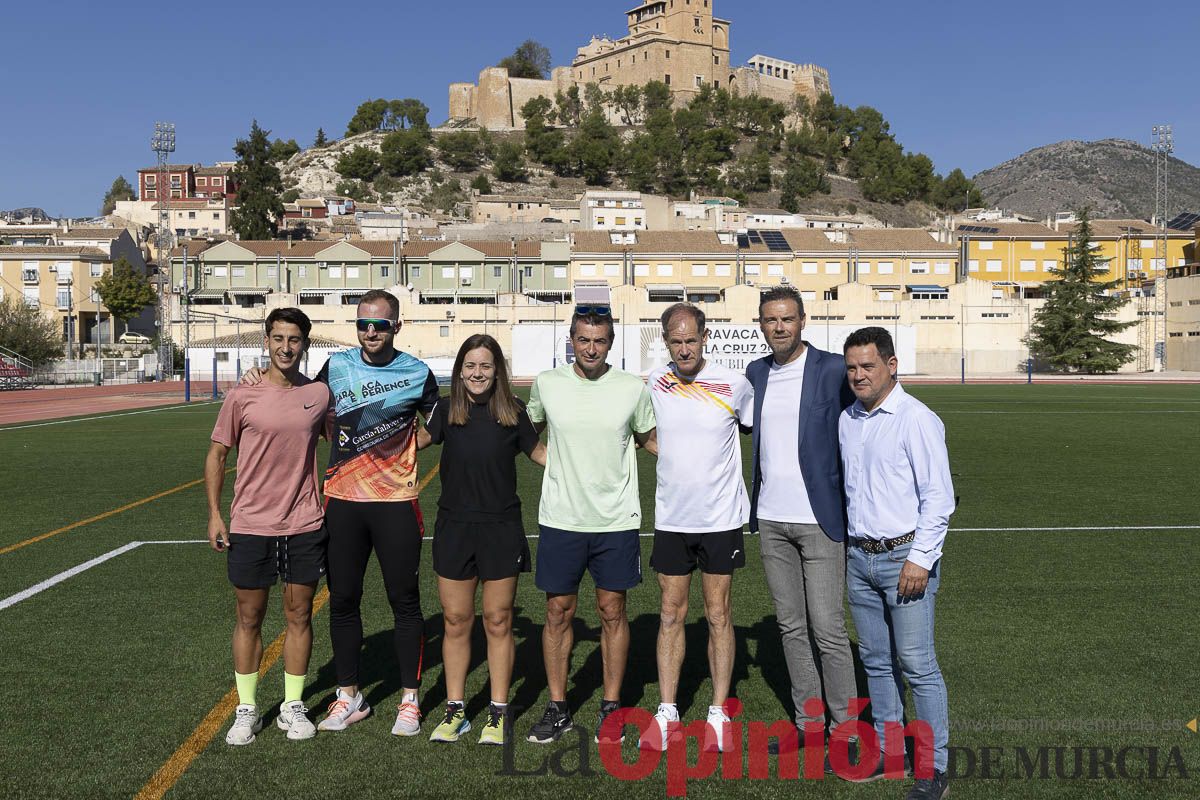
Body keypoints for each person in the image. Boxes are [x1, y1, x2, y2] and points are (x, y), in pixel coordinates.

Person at [240, 288, 439, 736]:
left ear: (396, 327)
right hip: (343, 504)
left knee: (404, 602)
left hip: (395, 504)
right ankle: (349, 696)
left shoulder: (417, 371)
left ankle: (410, 700)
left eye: (380, 325)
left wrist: (409, 447)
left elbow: (440, 418)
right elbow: (300, 397)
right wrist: (259, 376)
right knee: (343, 601)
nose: (371, 332)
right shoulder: (337, 367)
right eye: (363, 324)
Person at [525, 305, 657, 744]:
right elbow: (527, 431)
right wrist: (551, 462)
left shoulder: (631, 388)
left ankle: (611, 707)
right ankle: (559, 705)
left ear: (611, 344)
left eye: (600, 341)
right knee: (557, 612)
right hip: (561, 519)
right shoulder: (547, 384)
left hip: (615, 520)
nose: (591, 348)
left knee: (612, 611)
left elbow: (648, 439)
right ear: (571, 340)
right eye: (584, 339)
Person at [205, 307, 333, 745]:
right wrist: (215, 514)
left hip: (303, 524)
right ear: (266, 341)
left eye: (294, 339)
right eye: (277, 338)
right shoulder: (242, 396)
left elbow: (345, 442)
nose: (285, 347)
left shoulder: (319, 394)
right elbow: (217, 456)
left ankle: (292, 706)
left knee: (299, 615)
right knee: (249, 617)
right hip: (251, 525)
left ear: (305, 344)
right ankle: (247, 709)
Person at [839, 327, 953, 799]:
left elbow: (939, 499)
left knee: (918, 664)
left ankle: (933, 768)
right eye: (852, 368)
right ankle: (891, 754)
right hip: (859, 557)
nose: (859, 375)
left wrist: (920, 560)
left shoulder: (916, 419)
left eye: (868, 366)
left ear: (891, 364)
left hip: (904, 558)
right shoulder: (848, 419)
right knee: (877, 662)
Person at [416, 334, 546, 746]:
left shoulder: (514, 413)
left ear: (497, 371)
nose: (477, 373)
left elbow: (541, 455)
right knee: (456, 621)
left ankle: (498, 711)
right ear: (459, 371)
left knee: (498, 620)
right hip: (454, 529)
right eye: (470, 366)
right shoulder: (445, 410)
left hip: (501, 529)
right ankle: (456, 710)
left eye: (486, 366)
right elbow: (414, 441)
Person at [744, 286, 857, 757]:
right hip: (771, 520)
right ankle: (809, 724)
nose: (779, 327)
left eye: (787, 319)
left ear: (803, 320)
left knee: (828, 629)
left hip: (820, 520)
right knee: (791, 628)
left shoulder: (832, 368)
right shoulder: (755, 373)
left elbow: (869, 413)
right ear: (762, 324)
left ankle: (848, 732)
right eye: (771, 320)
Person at [642, 303, 753, 753]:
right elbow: (639, 433)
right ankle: (668, 710)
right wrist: (670, 459)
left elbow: (751, 430)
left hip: (721, 519)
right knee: (670, 613)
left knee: (718, 614)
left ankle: (717, 711)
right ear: (665, 341)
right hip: (671, 518)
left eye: (691, 340)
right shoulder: (653, 382)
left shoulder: (734, 384)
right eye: (676, 341)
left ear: (705, 337)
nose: (684, 348)